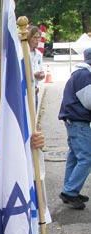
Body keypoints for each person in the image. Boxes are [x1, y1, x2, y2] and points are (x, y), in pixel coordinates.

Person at [58, 47, 91, 210]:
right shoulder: (85, 75)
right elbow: (89, 101)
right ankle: (70, 190)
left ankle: (69, 189)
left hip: (72, 118)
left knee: (75, 156)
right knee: (86, 156)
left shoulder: (79, 73)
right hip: (78, 119)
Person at [27, 26, 45, 111]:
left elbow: (41, 69)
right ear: (29, 38)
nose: (37, 40)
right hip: (25, 91)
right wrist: (33, 75)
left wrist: (42, 75)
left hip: (34, 89)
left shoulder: (38, 54)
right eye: (35, 37)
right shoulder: (22, 53)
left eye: (39, 37)